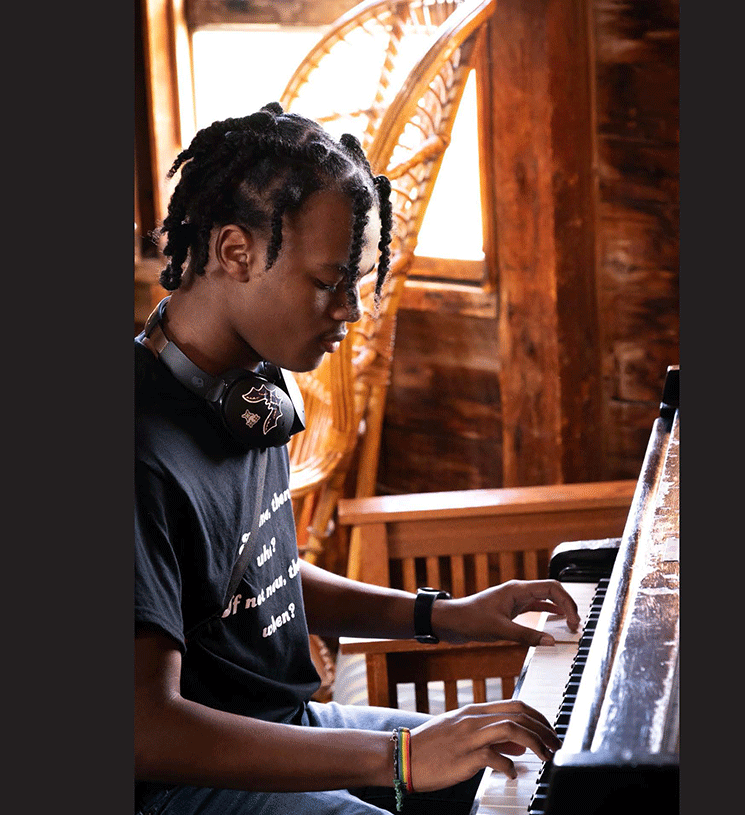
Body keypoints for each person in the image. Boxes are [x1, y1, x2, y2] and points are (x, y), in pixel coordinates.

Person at [134, 102, 582, 815]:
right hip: (184, 785)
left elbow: (257, 572)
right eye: (326, 282)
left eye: (351, 283)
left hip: (287, 727)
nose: (348, 309)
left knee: (537, 771)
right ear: (234, 252)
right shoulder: (139, 446)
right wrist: (398, 756)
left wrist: (446, 614)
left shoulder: (251, 389)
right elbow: (145, 729)